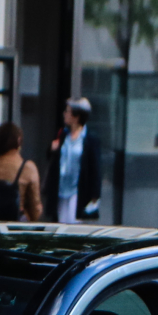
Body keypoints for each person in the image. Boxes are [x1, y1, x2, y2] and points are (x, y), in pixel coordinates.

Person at [48, 96, 103, 224]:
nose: (64, 114)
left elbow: (96, 167)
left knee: (74, 222)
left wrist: (95, 194)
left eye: (67, 111)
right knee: (60, 224)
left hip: (77, 189)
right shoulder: (63, 135)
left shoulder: (90, 139)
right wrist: (52, 149)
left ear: (76, 116)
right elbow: (52, 159)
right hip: (61, 188)